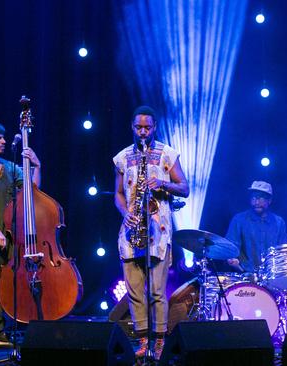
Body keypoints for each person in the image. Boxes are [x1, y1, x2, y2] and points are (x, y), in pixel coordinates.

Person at [113, 106, 189, 360]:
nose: (142, 132)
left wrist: (163, 183)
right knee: (134, 291)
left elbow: (185, 188)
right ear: (132, 127)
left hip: (158, 231)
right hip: (132, 230)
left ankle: (159, 343)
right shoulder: (122, 157)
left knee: (157, 291)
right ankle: (143, 341)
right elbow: (118, 194)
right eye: (138, 127)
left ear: (154, 127)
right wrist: (126, 214)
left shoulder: (167, 153)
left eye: (147, 127)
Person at [0, 120, 41, 346]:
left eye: (3, 138)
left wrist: (36, 166)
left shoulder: (10, 168)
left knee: (6, 282)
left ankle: (1, 332)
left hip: (10, 232)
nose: (3, 141)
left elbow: (32, 194)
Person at [225, 181, 287, 273]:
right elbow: (230, 248)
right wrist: (236, 264)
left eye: (261, 198)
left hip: (271, 276)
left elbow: (282, 252)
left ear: (269, 200)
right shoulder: (239, 219)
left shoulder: (279, 222)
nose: (256, 202)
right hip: (244, 276)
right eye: (253, 198)